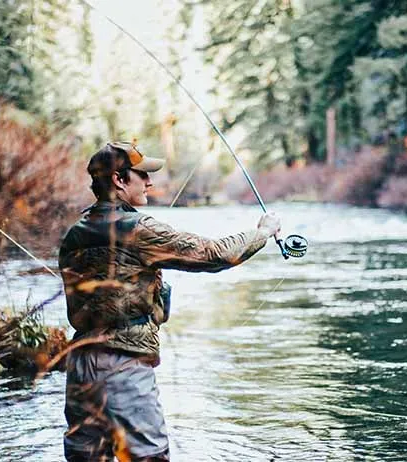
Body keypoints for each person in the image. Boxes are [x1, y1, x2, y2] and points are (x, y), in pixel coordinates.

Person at [58, 141, 281, 461]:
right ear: (119, 180)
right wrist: (262, 231)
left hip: (80, 366)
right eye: (142, 175)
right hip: (123, 364)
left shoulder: (74, 233)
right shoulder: (139, 229)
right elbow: (217, 255)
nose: (150, 182)